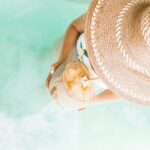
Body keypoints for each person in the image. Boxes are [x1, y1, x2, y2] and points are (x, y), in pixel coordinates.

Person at [46, 13, 120, 111]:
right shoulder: (101, 20)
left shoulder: (113, 79)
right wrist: (62, 58)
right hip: (70, 48)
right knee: (52, 52)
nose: (73, 71)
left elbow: (120, 93)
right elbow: (75, 27)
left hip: (86, 86)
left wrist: (92, 100)